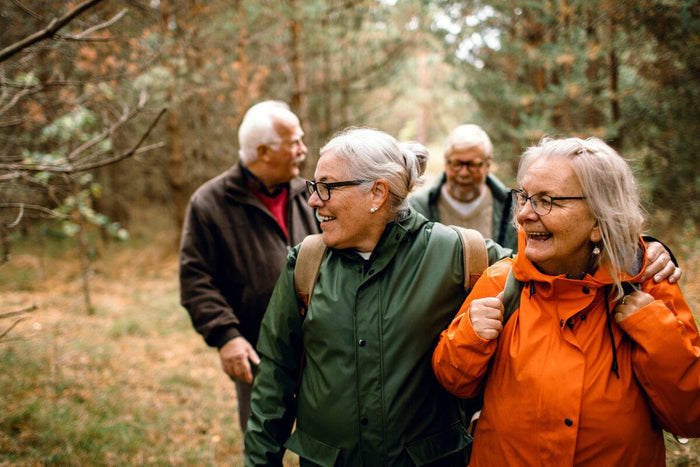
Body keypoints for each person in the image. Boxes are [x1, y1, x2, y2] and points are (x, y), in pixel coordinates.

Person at [242, 129, 680, 466]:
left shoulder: (458, 253)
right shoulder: (306, 264)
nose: (315, 201)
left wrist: (642, 249)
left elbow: (554, 261)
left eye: (327, 187)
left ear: (377, 193)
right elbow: (275, 373)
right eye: (314, 187)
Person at [432, 137, 699, 466]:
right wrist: (470, 336)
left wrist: (655, 331)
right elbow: (454, 383)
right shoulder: (501, 283)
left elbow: (691, 417)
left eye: (547, 201)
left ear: (599, 223)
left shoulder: (648, 289)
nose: (525, 215)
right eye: (525, 198)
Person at [179, 101, 320, 438]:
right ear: (264, 151)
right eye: (294, 142)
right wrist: (226, 336)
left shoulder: (310, 195)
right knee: (262, 445)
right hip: (259, 354)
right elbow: (196, 279)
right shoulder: (210, 203)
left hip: (322, 346)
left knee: (324, 445)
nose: (303, 150)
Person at [409, 123, 518, 250]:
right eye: (456, 164)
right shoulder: (419, 206)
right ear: (446, 163)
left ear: (488, 166)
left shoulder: (511, 208)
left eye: (472, 165)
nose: (464, 173)